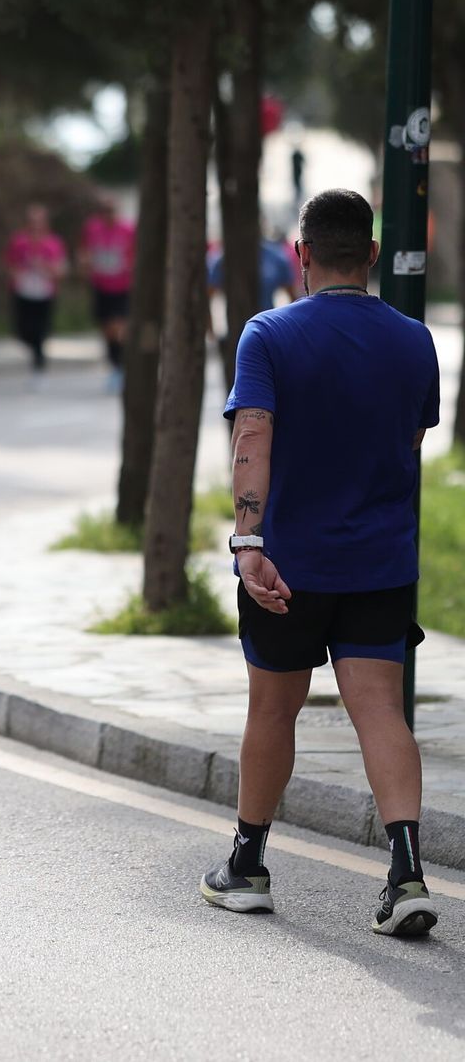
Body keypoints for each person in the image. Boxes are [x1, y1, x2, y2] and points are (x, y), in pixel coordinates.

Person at [201, 189, 441, 938]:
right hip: (380, 562)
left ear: (301, 255)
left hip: (289, 566)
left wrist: (248, 544)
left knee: (274, 706)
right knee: (380, 709)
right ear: (370, 255)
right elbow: (409, 447)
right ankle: (405, 873)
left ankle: (247, 865)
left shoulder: (267, 335)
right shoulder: (415, 341)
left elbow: (254, 439)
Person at [77, 197, 135, 391]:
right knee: (106, 328)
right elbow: (84, 250)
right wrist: (85, 263)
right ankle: (115, 365)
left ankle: (121, 365)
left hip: (122, 286)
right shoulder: (92, 228)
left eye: (111, 211)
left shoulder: (127, 229)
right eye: (105, 211)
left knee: (118, 328)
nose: (108, 215)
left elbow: (135, 254)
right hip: (101, 285)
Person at [3, 204, 67, 378]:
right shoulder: (19, 242)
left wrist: (45, 267)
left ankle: (39, 361)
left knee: (40, 329)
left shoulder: (53, 243)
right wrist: (17, 272)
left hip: (44, 293)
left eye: (39, 222)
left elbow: (61, 270)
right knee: (23, 330)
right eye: (32, 222)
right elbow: (10, 264)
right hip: (23, 291)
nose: (35, 226)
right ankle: (35, 352)